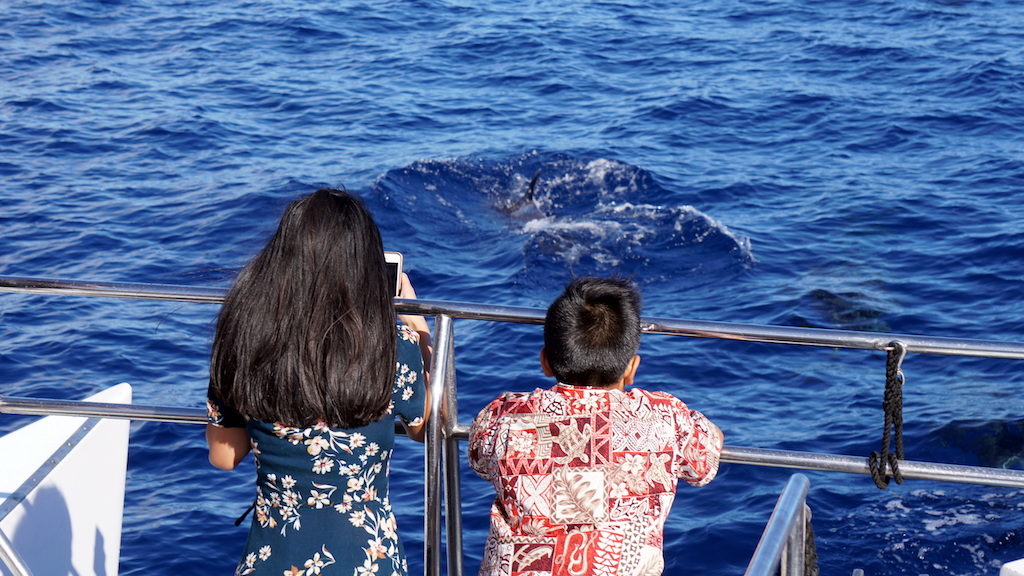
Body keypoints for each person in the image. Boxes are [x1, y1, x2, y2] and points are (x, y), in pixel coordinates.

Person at [206, 189, 431, 576]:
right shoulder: (391, 346)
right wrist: (419, 328)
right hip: (367, 562)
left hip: (273, 561)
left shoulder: (243, 335)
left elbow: (224, 456)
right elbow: (424, 428)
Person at [468, 277, 724, 576]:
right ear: (632, 368)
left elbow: (480, 464)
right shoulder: (666, 418)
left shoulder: (503, 416)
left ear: (545, 362)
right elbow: (702, 467)